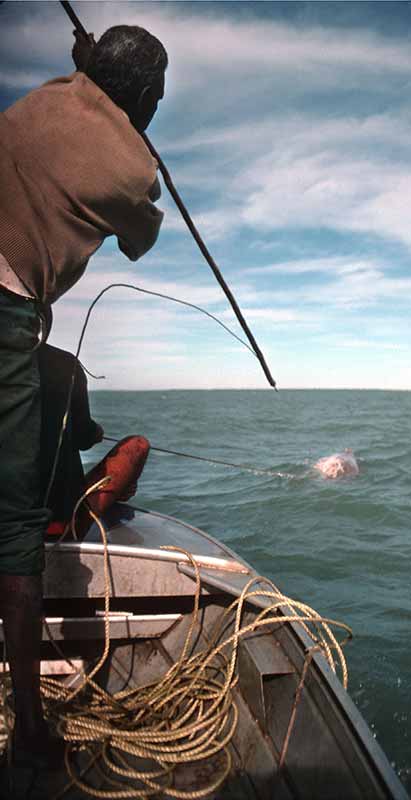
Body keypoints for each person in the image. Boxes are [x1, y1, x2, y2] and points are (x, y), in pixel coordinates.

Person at [0, 25, 167, 768]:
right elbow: (139, 241)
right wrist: (143, 152)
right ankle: (33, 733)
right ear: (148, 97)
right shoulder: (134, 169)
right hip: (5, 305)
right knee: (16, 527)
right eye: (158, 97)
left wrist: (85, 70)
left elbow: (88, 94)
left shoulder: (47, 96)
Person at [39, 343, 150, 541]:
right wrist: (96, 432)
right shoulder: (64, 363)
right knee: (137, 445)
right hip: (54, 529)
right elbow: (84, 438)